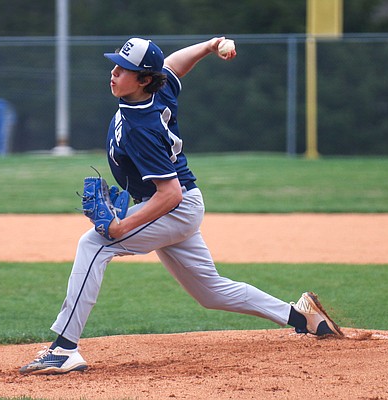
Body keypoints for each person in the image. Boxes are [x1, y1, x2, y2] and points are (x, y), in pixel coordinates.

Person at [19, 37, 343, 375]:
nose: (113, 73)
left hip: (173, 207)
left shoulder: (140, 127)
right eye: (115, 65)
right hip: (178, 206)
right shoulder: (157, 90)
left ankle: (65, 348)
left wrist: (121, 226)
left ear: (143, 79)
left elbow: (169, 193)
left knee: (94, 245)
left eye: (123, 69)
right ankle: (301, 316)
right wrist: (209, 45)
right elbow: (174, 65)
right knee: (210, 292)